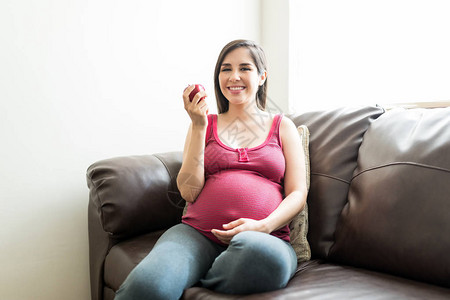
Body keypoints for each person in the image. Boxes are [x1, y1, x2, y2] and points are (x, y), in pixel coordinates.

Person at [114, 39, 308, 300]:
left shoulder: (282, 126)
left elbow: (297, 192)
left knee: (265, 257)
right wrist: (197, 125)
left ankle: (203, 276)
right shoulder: (205, 124)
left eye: (245, 68)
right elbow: (189, 192)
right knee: (148, 286)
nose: (234, 76)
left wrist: (263, 226)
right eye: (225, 69)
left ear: (262, 76)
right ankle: (193, 269)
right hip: (197, 235)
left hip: (265, 238)